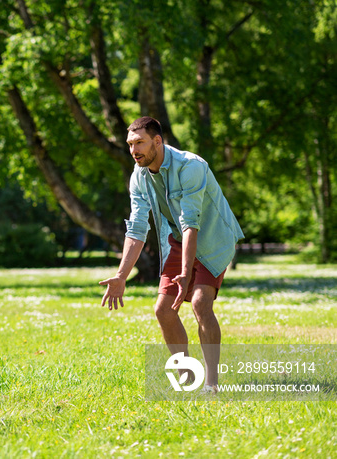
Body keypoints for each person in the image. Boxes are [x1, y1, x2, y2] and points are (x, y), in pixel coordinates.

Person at [99, 116, 243, 393]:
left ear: (157, 141)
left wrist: (187, 274)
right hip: (179, 239)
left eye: (139, 143)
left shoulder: (191, 166)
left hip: (212, 238)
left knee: (201, 302)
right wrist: (121, 276)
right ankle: (187, 379)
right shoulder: (138, 176)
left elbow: (192, 222)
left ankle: (211, 385)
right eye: (130, 144)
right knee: (163, 310)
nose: (134, 150)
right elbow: (138, 227)